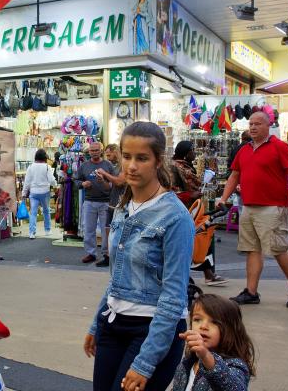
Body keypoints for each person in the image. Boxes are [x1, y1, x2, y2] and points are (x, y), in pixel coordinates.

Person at [84, 122, 194, 391]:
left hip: (152, 332)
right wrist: (96, 322)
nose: (131, 166)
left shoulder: (175, 217)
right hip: (113, 324)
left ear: (158, 161)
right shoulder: (124, 206)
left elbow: (173, 295)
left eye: (142, 158)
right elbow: (117, 276)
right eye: (127, 156)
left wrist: (145, 361)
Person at [217, 111, 288, 308]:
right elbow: (234, 176)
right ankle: (251, 292)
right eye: (251, 124)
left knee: (278, 248)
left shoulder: (280, 147)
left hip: (272, 207)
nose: (253, 127)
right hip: (248, 206)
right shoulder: (244, 150)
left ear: (268, 126)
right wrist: (223, 198)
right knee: (252, 249)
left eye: (258, 124)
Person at [170, 141, 227, 286]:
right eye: (192, 151)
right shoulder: (178, 168)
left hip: (189, 207)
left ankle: (208, 274)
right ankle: (201, 275)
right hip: (183, 209)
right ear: (186, 153)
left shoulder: (180, 166)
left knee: (200, 237)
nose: (195, 154)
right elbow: (174, 189)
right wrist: (191, 195)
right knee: (194, 240)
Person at [172, 294, 255, 391]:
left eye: (214, 322)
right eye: (197, 319)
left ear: (230, 330)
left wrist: (207, 357)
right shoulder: (188, 362)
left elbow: (235, 388)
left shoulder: (235, 365)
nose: (203, 326)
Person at [74, 142, 115, 263]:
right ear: (89, 152)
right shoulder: (84, 166)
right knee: (88, 229)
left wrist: (105, 182)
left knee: (105, 230)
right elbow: (76, 180)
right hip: (89, 201)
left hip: (105, 202)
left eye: (96, 150)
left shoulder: (108, 165)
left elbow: (114, 182)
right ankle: (91, 253)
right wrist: (82, 184)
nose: (94, 152)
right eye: (92, 150)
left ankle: (106, 255)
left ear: (101, 151)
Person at [92, 144, 123, 267]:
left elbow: (119, 182)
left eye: (109, 154)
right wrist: (103, 180)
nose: (108, 158)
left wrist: (105, 173)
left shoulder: (123, 166)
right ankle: (109, 256)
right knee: (108, 229)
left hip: (120, 203)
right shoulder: (115, 167)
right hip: (113, 201)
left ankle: (113, 256)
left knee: (114, 230)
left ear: (116, 151)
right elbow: (111, 186)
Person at [22, 149, 57, 239]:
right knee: (46, 211)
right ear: (44, 157)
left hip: (33, 192)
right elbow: (51, 180)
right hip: (45, 192)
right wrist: (55, 185)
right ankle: (47, 230)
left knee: (33, 213)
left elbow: (27, 182)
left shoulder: (30, 167)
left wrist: (24, 193)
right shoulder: (47, 167)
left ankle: (32, 233)